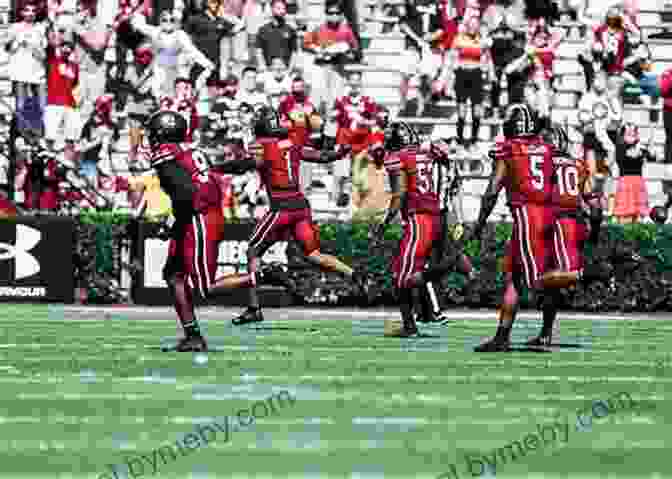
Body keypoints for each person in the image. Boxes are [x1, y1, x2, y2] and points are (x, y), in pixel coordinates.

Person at [200, 107, 368, 325]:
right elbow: (325, 155)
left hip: (282, 207)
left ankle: (254, 307)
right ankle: (354, 274)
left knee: (253, 250)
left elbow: (247, 165)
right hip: (301, 205)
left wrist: (217, 168)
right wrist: (341, 150)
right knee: (314, 254)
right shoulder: (291, 143)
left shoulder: (263, 144)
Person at [370, 121, 469, 337]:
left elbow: (400, 193)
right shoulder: (427, 155)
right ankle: (411, 323)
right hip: (435, 217)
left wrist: (385, 222)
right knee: (404, 273)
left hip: (419, 220)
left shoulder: (399, 158)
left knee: (401, 277)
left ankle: (410, 324)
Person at [469, 103, 555, 352]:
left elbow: (492, 190)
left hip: (528, 214)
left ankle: (583, 275)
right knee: (515, 279)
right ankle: (502, 337)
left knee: (536, 280)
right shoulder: (547, 148)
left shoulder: (509, 149)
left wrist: (480, 222)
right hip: (544, 213)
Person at [526, 124, 611, 347]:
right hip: (574, 223)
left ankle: (592, 274)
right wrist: (594, 234)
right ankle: (545, 334)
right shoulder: (579, 165)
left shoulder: (542, 163)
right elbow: (596, 206)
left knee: (548, 279)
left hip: (558, 224)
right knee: (551, 282)